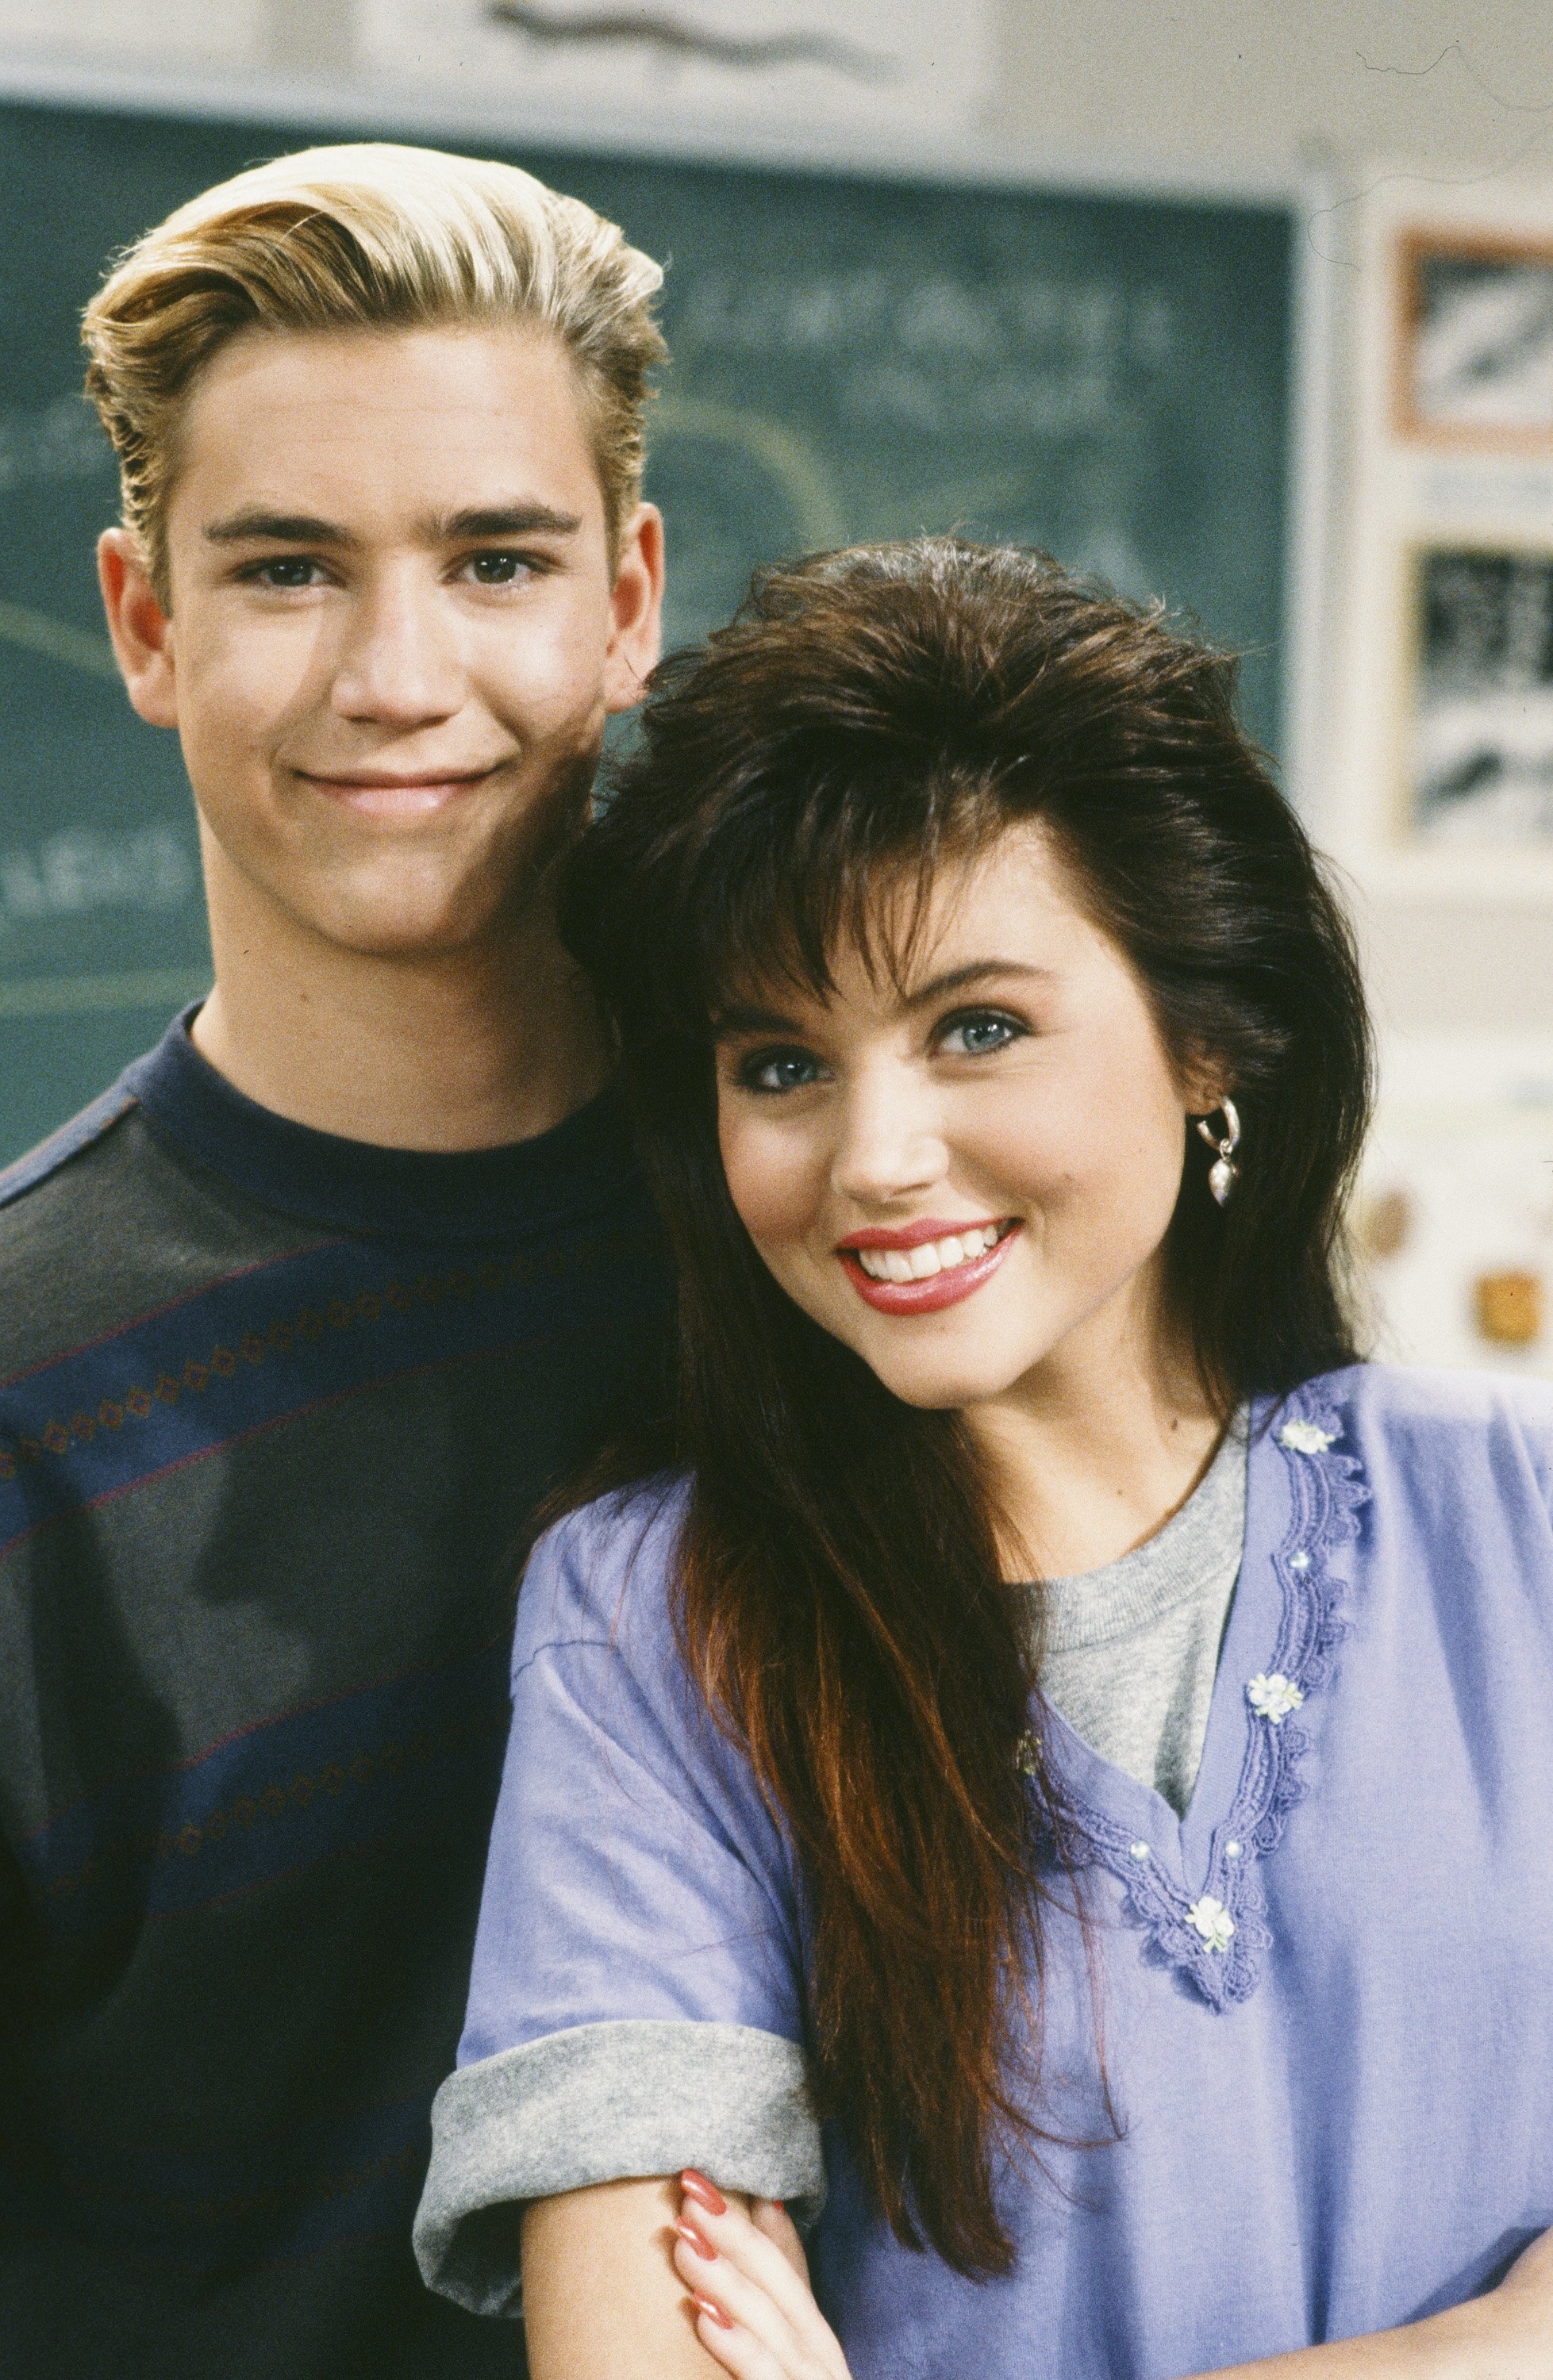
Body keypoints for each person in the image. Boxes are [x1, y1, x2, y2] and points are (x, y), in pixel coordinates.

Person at [414, 539, 1553, 2379]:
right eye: (779, 1064)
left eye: (978, 1027)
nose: (873, 1156)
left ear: (1208, 1038)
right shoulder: (656, 1625)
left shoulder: (1520, 1515)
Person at [0, 143, 674, 2378]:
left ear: (628, 596)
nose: (401, 676)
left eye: (495, 560)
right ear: (143, 623)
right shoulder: (19, 1401)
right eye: (286, 570)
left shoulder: (860, 1266)